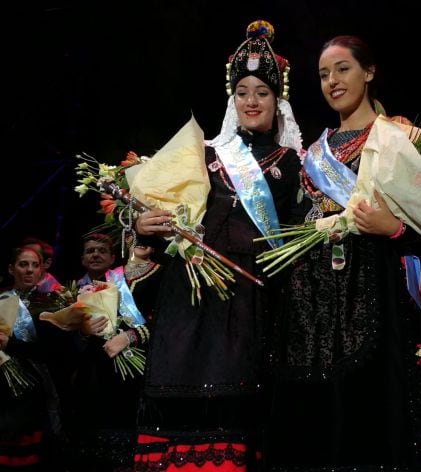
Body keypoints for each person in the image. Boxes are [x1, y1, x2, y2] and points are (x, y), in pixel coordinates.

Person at [264, 35, 421, 471]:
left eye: (342, 69)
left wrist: (395, 228)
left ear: (369, 71)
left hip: (376, 295)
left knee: (374, 417)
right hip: (313, 310)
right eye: (323, 74)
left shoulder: (401, 138)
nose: (332, 81)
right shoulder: (308, 156)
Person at [132, 20, 305, 471]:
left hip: (249, 295)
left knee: (236, 400)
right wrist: (141, 222)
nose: (251, 101)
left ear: (277, 102)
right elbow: (163, 209)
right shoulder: (204, 153)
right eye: (242, 91)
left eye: (262, 92)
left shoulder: (296, 164)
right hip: (188, 294)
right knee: (176, 394)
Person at [66, 232, 149, 472]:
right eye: (90, 251)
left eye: (102, 251)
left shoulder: (126, 285)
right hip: (86, 378)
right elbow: (62, 346)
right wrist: (82, 332)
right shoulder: (69, 291)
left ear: (113, 257)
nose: (95, 255)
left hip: (124, 376)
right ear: (82, 259)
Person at [0, 246, 65, 471]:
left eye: (35, 265)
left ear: (42, 271)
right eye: (23, 264)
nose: (29, 270)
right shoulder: (2, 299)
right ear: (11, 268)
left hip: (35, 393)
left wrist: (10, 344)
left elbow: (52, 353)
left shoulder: (52, 304)